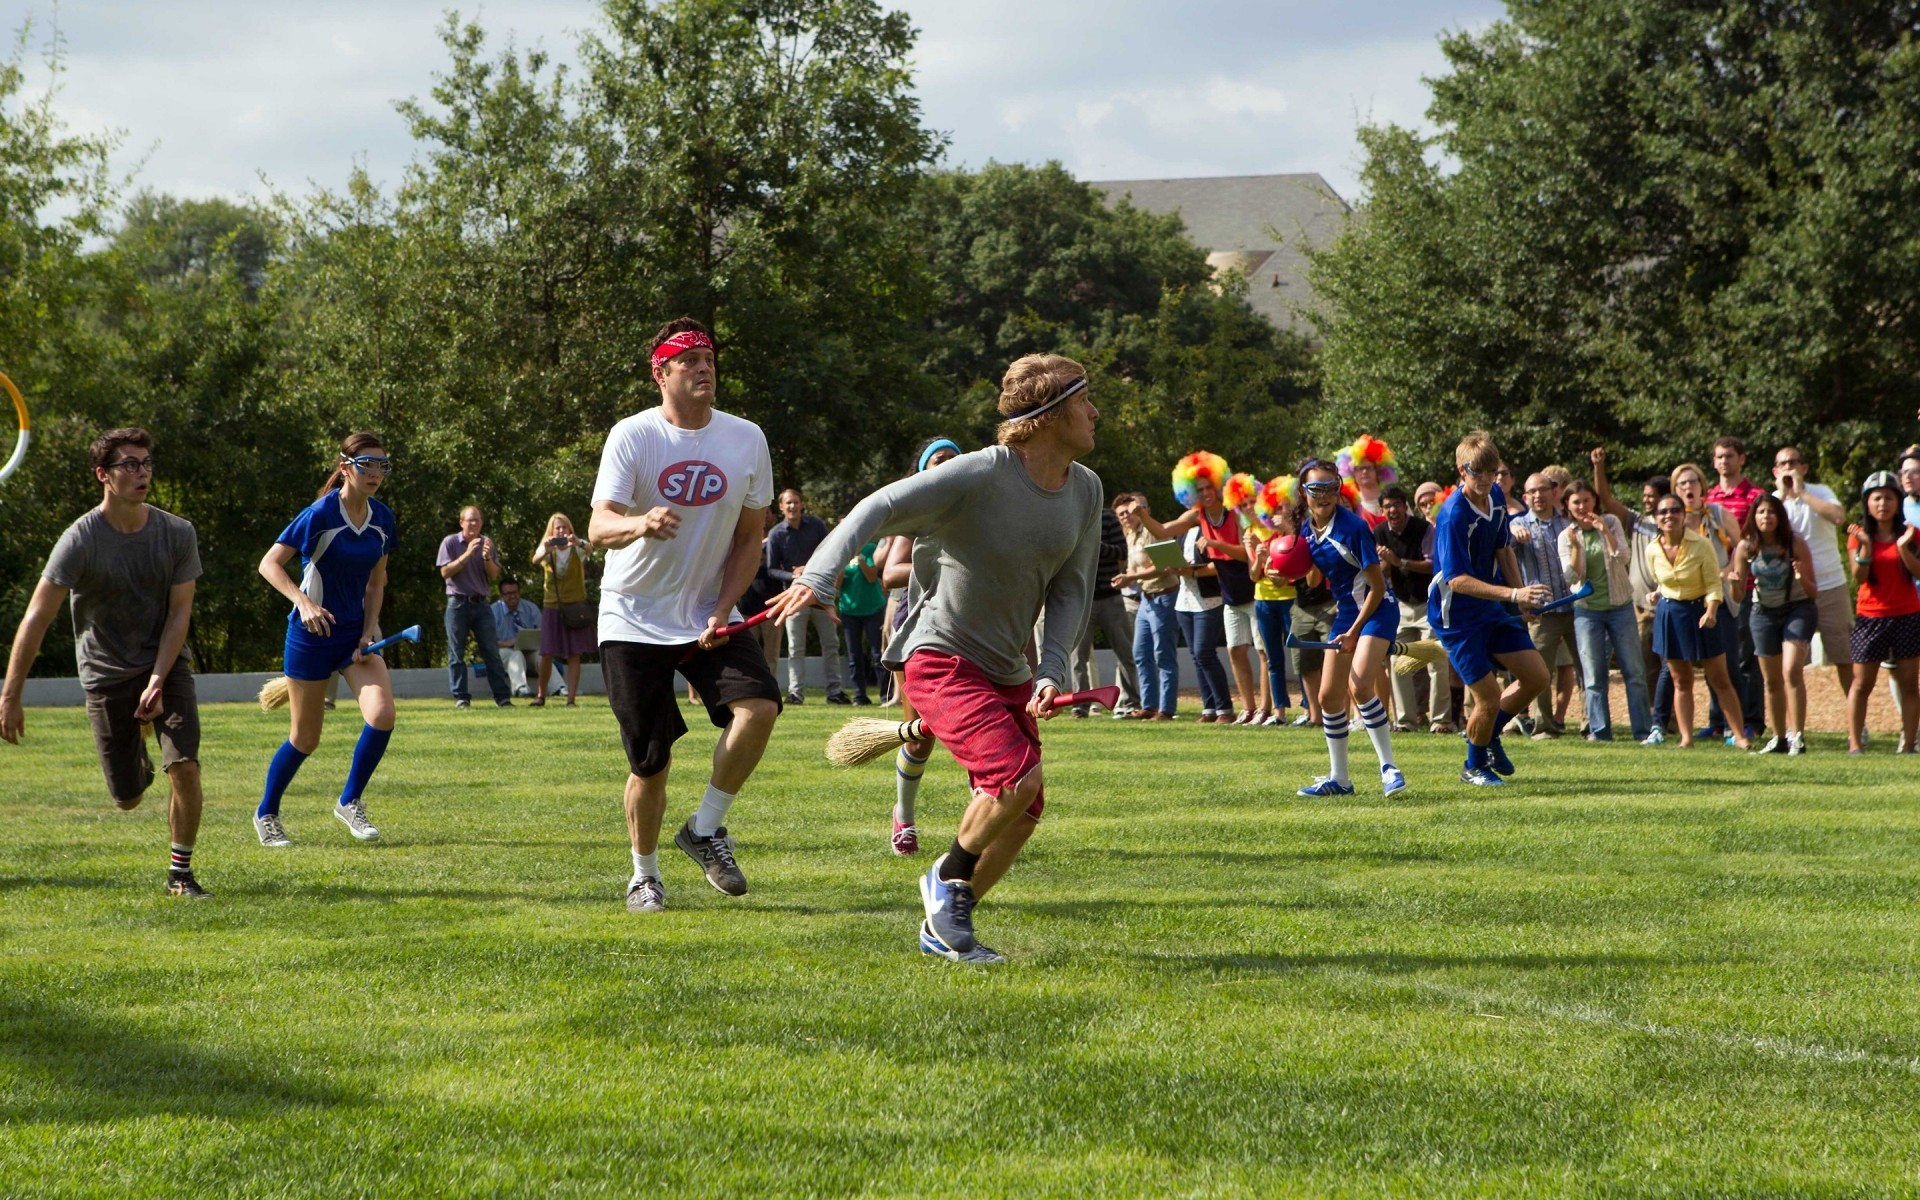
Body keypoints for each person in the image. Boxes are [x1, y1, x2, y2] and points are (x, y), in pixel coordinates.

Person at [773, 353, 1102, 965]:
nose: (1095, 413)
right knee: (1014, 776)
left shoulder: (1085, 488)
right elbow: (877, 506)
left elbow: (1072, 590)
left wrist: (1053, 669)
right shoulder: (978, 474)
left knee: (1024, 812)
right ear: (1050, 416)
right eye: (1085, 402)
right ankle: (946, 879)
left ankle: (945, 927)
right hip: (940, 657)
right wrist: (819, 577)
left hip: (1010, 669)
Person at [588, 318, 782, 913]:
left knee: (760, 708)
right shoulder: (633, 436)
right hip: (632, 616)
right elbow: (598, 526)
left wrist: (724, 608)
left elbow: (752, 537)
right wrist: (639, 523)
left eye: (710, 359)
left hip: (706, 614)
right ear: (661, 373)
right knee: (652, 762)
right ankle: (644, 874)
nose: (704, 367)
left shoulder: (746, 438)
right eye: (689, 359)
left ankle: (704, 829)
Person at [1, 428, 209, 897]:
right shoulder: (80, 539)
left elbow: (180, 613)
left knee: (186, 767)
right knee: (128, 798)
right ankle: (136, 757)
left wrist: (158, 677)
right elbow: (37, 617)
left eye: (147, 464)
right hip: (106, 671)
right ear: (103, 476)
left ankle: (181, 874)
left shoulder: (176, 533)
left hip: (164, 661)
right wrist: (11, 696)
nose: (142, 473)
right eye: (129, 465)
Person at [254, 432, 399, 846]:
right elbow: (269, 564)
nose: (375, 473)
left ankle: (349, 801)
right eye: (366, 464)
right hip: (310, 637)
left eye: (382, 466)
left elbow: (377, 581)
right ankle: (266, 813)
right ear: (344, 467)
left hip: (355, 635)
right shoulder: (319, 514)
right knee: (305, 738)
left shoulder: (383, 519)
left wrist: (369, 629)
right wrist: (302, 602)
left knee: (382, 714)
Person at [1429, 431, 1553, 787]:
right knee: (1489, 696)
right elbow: (1456, 580)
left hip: (1491, 608)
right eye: (1476, 471)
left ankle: (1487, 738)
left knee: (1536, 677)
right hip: (1457, 617)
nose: (1485, 479)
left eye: (1491, 471)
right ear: (1460, 469)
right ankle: (1473, 766)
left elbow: (1504, 549)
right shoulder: (1453, 514)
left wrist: (1520, 597)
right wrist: (1514, 597)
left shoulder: (1496, 496)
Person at [1290, 458, 1406, 796]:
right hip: (1346, 614)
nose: (1324, 495)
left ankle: (1389, 767)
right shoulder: (1306, 530)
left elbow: (1378, 587)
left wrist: (1354, 632)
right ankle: (1340, 779)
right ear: (1303, 492)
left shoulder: (1354, 528)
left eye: (1331, 487)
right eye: (1316, 488)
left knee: (1359, 685)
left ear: (1340, 489)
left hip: (1377, 610)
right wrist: (1282, 567)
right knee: (1327, 697)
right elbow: (1312, 577)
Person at [876, 436, 963, 852]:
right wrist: (948, 564)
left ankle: (983, 821)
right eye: (939, 459)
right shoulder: (916, 512)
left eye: (954, 459)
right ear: (923, 471)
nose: (948, 464)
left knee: (982, 731)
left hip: (970, 629)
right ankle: (904, 819)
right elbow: (890, 573)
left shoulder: (976, 512)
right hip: (918, 632)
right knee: (920, 736)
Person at [1132, 469, 1253, 723]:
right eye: (1199, 490)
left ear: (1220, 487)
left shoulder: (1234, 515)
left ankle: (1226, 709)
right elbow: (1164, 531)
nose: (1205, 493)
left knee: (1205, 652)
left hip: (1223, 594)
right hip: (1186, 598)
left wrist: (1198, 564)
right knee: (1198, 655)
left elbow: (1237, 557)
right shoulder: (1195, 517)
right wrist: (1141, 514)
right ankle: (1210, 709)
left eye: (1209, 487)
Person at [1644, 493, 1752, 750]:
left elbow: (1714, 583)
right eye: (1663, 512)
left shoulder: (1701, 544)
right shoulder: (1652, 549)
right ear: (1656, 519)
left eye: (1674, 511)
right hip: (1670, 614)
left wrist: (1712, 611)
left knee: (1719, 677)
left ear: (1683, 516)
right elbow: (1661, 581)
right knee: (1681, 679)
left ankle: (1740, 736)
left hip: (1700, 611)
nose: (1668, 516)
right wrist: (1657, 593)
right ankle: (1686, 739)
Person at [1591, 448, 1675, 742]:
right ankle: (1659, 723)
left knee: (1672, 667)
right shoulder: (1637, 521)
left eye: (1651, 495)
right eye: (1645, 495)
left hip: (1671, 603)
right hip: (1640, 607)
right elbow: (1606, 499)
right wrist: (1599, 467)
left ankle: (1672, 720)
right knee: (1648, 669)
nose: (1645, 499)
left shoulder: (1675, 524)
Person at [1558, 480, 1651, 742]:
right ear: (1567, 505)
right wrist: (1577, 548)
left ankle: (1643, 732)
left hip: (1620, 607)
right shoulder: (1566, 536)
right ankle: (1600, 733)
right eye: (1576, 502)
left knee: (1634, 672)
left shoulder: (1610, 521)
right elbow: (1569, 577)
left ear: (1594, 501)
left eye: (1587, 500)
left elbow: (1623, 557)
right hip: (1587, 611)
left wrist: (1604, 532)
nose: (1582, 506)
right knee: (1593, 676)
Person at [1673, 460, 1755, 741]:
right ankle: (1716, 722)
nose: (1688, 487)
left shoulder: (1718, 514)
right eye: (1682, 484)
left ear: (1702, 486)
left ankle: (1741, 725)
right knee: (1706, 666)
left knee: (1729, 664)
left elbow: (1743, 545)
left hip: (1720, 598)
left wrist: (1730, 570)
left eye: (1692, 482)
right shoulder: (1673, 520)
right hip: (1688, 602)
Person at [1733, 493, 1818, 755]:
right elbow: (1738, 596)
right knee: (1770, 681)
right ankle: (1779, 738)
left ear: (1780, 517)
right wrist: (1735, 579)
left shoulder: (1796, 544)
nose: (1766, 517)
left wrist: (1801, 576)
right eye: (1760, 512)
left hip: (1798, 608)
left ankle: (1798, 737)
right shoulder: (1746, 547)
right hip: (1763, 612)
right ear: (1753, 517)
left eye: (1771, 512)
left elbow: (1813, 592)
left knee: (1791, 670)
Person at [1845, 473, 1920, 754]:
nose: (1883, 504)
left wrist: (1903, 548)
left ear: (1897, 502)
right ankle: (1855, 744)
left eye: (1889, 497)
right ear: (1867, 503)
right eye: (1877, 498)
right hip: (1870, 617)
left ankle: (1909, 745)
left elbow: (1918, 572)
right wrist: (1865, 545)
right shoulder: (1859, 537)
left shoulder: (1911, 533)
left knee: (1909, 684)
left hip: (1908, 615)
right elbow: (1859, 576)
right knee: (1862, 683)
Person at [1773, 446, 1856, 698]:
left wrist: (1801, 494)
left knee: (1844, 657)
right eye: (1783, 464)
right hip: (1792, 592)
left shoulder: (1821, 492)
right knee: (1790, 665)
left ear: (1804, 468)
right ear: (1775, 471)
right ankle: (1794, 726)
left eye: (1793, 463)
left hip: (1830, 586)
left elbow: (1839, 517)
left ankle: (1858, 720)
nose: (1788, 468)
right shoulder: (1772, 502)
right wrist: (1784, 497)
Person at [1375, 484, 1451, 733]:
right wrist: (1386, 564)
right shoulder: (1379, 533)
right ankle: (1406, 721)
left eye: (1397, 505)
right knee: (1398, 662)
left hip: (1429, 603)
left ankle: (1440, 720)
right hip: (1402, 605)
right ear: (1381, 510)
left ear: (1405, 506)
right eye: (1387, 507)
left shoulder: (1422, 529)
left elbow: (1432, 564)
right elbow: (1381, 572)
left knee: (1435, 661)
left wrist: (1400, 562)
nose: (1393, 510)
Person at [1508, 473, 1578, 737]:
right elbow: (1505, 547)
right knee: (1540, 674)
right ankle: (1544, 726)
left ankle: (1592, 727)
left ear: (1554, 492)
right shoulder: (1518, 525)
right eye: (1532, 492)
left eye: (1543, 490)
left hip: (1575, 608)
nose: (1538, 495)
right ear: (1525, 497)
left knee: (1586, 671)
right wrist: (1513, 532)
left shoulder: (1569, 524)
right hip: (1542, 612)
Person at [765, 487, 848, 705]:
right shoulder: (776, 534)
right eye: (788, 503)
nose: (792, 506)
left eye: (795, 502)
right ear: (782, 507)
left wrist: (810, 568)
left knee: (831, 644)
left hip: (821, 594)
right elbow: (772, 569)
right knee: (795, 648)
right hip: (793, 599)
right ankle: (795, 693)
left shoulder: (817, 526)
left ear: (802, 504)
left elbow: (830, 551)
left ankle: (835, 692)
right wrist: (794, 574)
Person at [1068, 501, 1141, 718]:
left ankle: (1131, 703)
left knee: (1125, 653)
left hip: (1110, 598)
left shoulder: (1107, 518)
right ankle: (1079, 706)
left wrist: (1094, 546)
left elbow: (1121, 551)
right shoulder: (1070, 516)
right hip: (1083, 599)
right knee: (1077, 658)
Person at [437, 505, 512, 709]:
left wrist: (487, 557)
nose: (473, 524)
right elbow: (445, 572)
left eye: (477, 520)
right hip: (457, 603)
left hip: (481, 604)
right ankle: (461, 698)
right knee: (456, 654)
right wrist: (468, 554)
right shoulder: (450, 542)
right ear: (461, 522)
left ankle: (503, 698)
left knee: (491, 651)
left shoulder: (487, 543)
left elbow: (494, 575)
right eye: (469, 520)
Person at [1115, 495, 1181, 721]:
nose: (1127, 516)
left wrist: (1130, 577)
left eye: (1131, 510)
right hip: (1146, 599)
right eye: (1121, 514)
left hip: (1164, 597)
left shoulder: (1153, 531)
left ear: (1145, 510)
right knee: (1141, 654)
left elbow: (1166, 566)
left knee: (1163, 654)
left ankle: (1166, 709)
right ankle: (1149, 705)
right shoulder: (1130, 535)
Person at [1243, 491, 1296, 727]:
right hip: (1263, 600)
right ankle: (1280, 712)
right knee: (1273, 659)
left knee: (1298, 655)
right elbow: (1254, 575)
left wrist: (1287, 528)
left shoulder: (1283, 530)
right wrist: (1260, 558)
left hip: (1290, 598)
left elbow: (1293, 565)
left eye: (1253, 503)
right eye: (1244, 506)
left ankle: (1309, 709)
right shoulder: (1250, 534)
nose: (1250, 509)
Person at [531, 512, 595, 707]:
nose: (561, 530)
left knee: (575, 653)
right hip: (552, 605)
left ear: (569, 529)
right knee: (547, 652)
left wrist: (577, 543)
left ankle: (571, 699)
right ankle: (541, 695)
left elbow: (591, 548)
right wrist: (548, 548)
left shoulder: (577, 548)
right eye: (557, 528)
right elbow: (535, 559)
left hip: (575, 605)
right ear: (551, 531)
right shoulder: (547, 548)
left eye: (564, 527)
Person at [839, 539, 886, 706]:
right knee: (854, 656)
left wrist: (859, 558)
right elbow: (837, 585)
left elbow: (872, 577)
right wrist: (841, 565)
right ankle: (859, 696)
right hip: (849, 611)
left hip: (873, 608)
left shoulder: (871, 549)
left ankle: (885, 695)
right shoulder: (841, 551)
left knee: (878, 654)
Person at [491, 577, 542, 698]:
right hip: (503, 653)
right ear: (501, 595)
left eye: (515, 593)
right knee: (516, 655)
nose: (512, 596)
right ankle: (521, 688)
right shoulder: (492, 611)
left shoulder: (531, 608)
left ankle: (559, 688)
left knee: (543, 656)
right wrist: (508, 643)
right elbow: (487, 642)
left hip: (529, 651)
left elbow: (543, 634)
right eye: (508, 594)